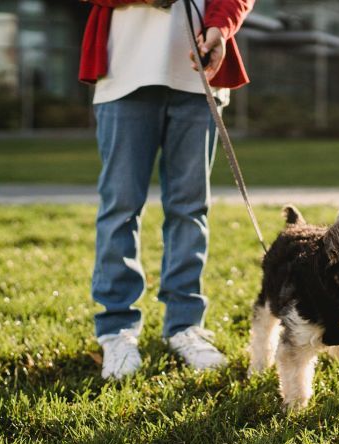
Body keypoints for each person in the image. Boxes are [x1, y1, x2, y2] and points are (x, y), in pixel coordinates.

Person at [78, 0, 254, 379]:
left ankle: (185, 326)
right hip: (124, 73)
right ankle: (117, 331)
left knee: (190, 208)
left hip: (197, 79)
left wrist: (220, 29)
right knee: (120, 207)